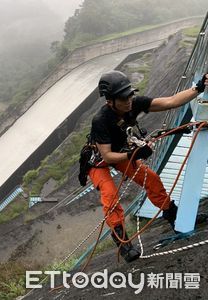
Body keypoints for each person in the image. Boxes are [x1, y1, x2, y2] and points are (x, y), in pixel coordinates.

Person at [86, 70, 208, 262]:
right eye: (123, 98)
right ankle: (123, 242)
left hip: (123, 152)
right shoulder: (101, 120)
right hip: (98, 161)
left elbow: (171, 101)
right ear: (110, 101)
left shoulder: (134, 104)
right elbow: (107, 156)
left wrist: (199, 88)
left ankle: (174, 217)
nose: (128, 101)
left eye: (130, 95)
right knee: (110, 194)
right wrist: (134, 154)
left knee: (151, 179)